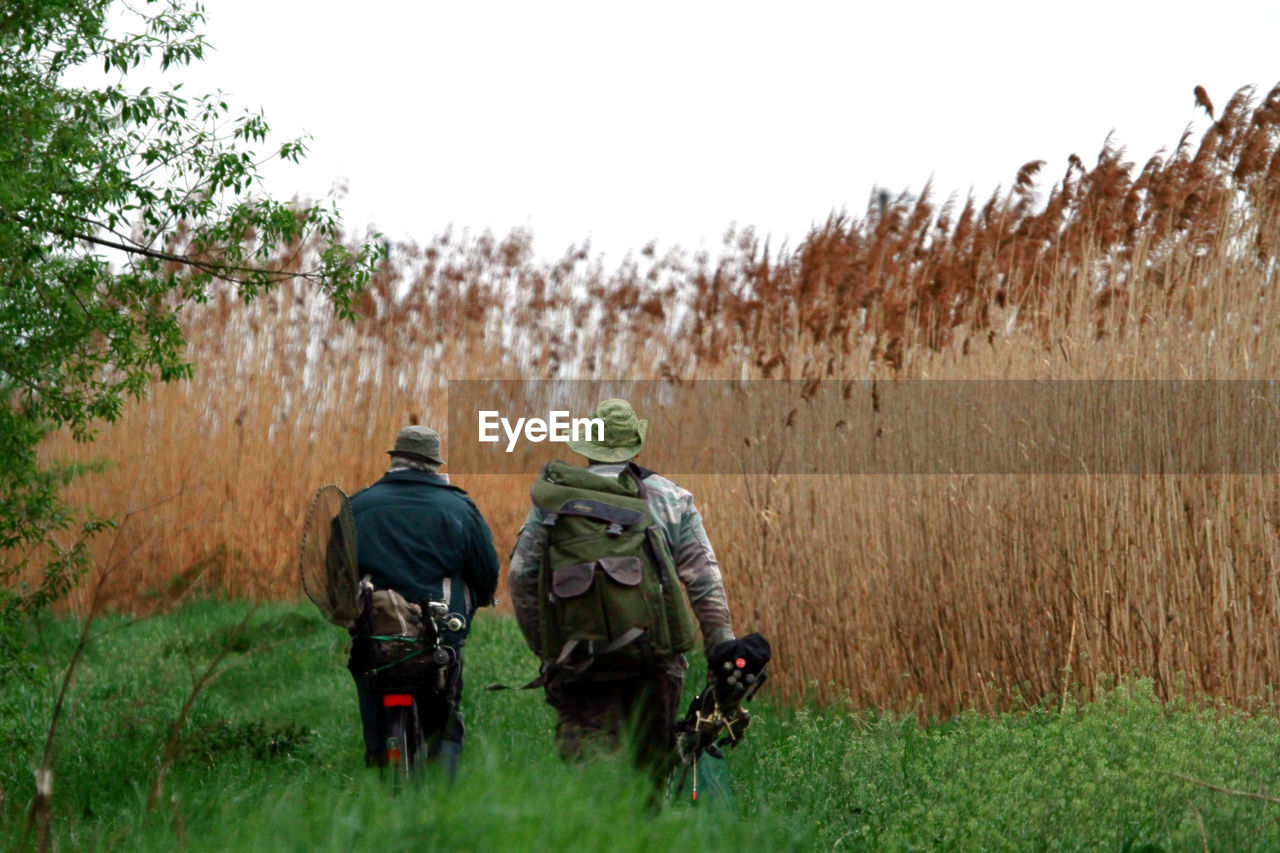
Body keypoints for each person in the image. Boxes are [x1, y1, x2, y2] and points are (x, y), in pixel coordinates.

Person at [507, 398, 736, 785]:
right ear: (634, 444)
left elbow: (520, 575)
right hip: (656, 665)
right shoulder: (671, 498)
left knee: (593, 781)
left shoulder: (555, 500)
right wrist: (722, 652)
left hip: (581, 662)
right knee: (651, 777)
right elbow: (704, 581)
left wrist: (549, 651)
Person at [348, 425, 499, 775]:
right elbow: (486, 569)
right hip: (439, 635)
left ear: (395, 460)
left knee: (376, 706)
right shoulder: (461, 509)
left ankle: (381, 763)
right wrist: (481, 600)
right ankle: (443, 800)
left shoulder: (357, 506)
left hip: (377, 636)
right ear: (434, 463)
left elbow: (335, 573)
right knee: (443, 720)